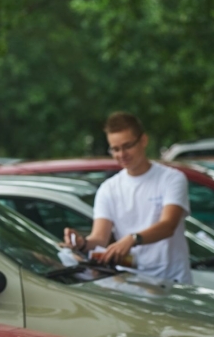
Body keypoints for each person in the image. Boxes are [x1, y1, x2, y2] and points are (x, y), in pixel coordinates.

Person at [64, 111, 192, 283]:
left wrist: (132, 239)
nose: (122, 154)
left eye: (127, 146)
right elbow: (99, 238)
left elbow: (168, 226)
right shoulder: (108, 188)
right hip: (131, 284)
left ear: (143, 140)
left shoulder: (171, 178)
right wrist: (81, 243)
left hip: (173, 281)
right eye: (115, 149)